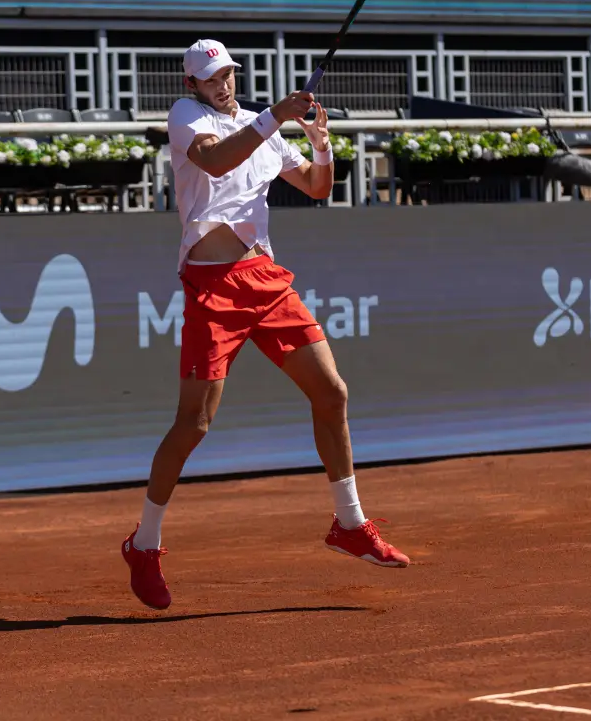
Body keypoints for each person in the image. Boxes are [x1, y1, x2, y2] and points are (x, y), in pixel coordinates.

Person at [121, 39, 410, 610]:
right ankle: (145, 543)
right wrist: (275, 114)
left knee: (331, 392)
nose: (221, 83)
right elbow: (214, 160)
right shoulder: (188, 118)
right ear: (192, 85)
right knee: (195, 424)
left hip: (264, 276)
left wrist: (321, 147)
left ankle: (350, 524)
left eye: (227, 73)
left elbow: (317, 189)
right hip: (212, 285)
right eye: (210, 78)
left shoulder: (264, 129)